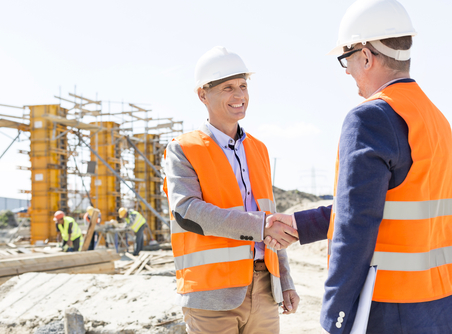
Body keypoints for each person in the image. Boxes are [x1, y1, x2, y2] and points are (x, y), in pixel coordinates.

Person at [265, 0, 452, 333]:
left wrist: (334, 317)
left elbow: (356, 222)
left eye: (346, 60)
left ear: (366, 56)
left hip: (388, 307)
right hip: (438, 304)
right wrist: (302, 224)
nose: (347, 71)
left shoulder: (370, 118)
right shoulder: (437, 121)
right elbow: (389, 203)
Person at [163, 46, 300, 334]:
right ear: (203, 94)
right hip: (211, 295)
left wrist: (285, 281)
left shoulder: (259, 149)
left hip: (264, 288)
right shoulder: (183, 149)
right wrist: (261, 226)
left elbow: (270, 216)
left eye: (242, 86)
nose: (239, 96)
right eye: (228, 88)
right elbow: (188, 212)